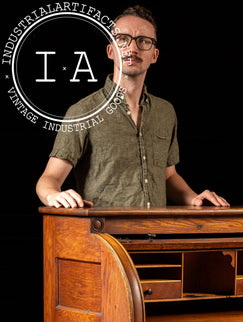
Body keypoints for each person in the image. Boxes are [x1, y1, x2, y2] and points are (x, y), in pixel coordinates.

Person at [36, 5, 229, 209]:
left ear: (154, 55)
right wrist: (53, 195)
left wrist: (194, 198)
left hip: (157, 235)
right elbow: (49, 179)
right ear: (111, 51)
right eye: (123, 39)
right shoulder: (82, 111)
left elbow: (168, 175)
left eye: (143, 41)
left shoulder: (166, 112)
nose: (132, 48)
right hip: (104, 236)